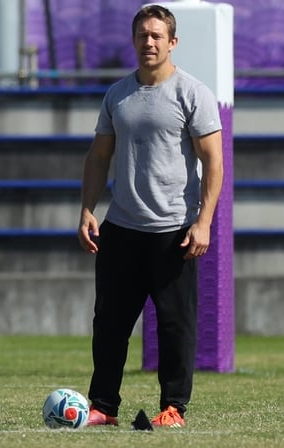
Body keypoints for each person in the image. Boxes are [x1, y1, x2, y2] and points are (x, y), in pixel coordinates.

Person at [77, 5, 223, 428]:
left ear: (172, 42)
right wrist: (88, 209)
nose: (149, 42)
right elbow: (98, 156)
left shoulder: (192, 93)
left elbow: (213, 162)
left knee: (176, 327)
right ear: (134, 39)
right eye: (143, 35)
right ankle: (103, 407)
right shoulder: (117, 94)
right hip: (121, 229)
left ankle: (173, 407)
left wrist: (203, 221)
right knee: (108, 325)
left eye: (158, 35)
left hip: (173, 231)